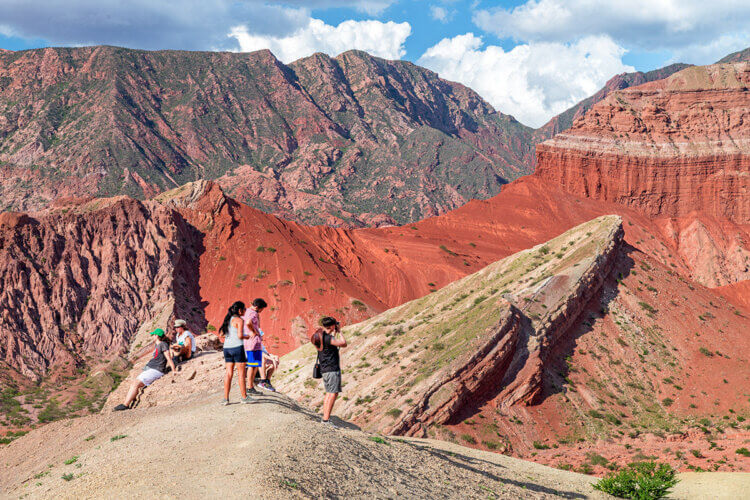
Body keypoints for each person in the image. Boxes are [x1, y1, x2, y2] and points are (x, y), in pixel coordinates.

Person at [113, 328, 176, 411]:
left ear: (157, 336)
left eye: (153, 334)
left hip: (156, 370)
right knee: (134, 382)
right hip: (151, 369)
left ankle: (126, 405)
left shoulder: (163, 344)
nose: (152, 336)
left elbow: (168, 357)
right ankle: (131, 399)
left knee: (136, 383)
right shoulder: (158, 344)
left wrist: (174, 370)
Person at [312, 316, 347, 428]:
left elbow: (330, 344)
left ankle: (325, 417)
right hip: (332, 369)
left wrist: (333, 332)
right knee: (333, 393)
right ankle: (326, 420)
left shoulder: (319, 336)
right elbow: (343, 343)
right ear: (332, 326)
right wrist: (340, 332)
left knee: (329, 393)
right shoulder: (327, 338)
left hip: (324, 368)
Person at [217, 301, 251, 405]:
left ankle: (225, 399)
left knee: (228, 373)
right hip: (237, 347)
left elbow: (222, 334)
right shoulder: (239, 320)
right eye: (244, 309)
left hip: (227, 348)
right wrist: (247, 336)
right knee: (241, 373)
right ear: (240, 310)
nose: (245, 311)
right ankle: (244, 397)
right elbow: (240, 336)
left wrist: (231, 336)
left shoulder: (228, 319)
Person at [243, 298, 267, 395]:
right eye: (261, 309)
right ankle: (250, 387)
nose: (261, 311)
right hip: (253, 343)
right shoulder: (253, 313)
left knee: (254, 365)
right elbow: (248, 323)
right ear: (257, 307)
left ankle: (250, 386)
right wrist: (255, 332)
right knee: (253, 366)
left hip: (249, 342)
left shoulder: (247, 311)